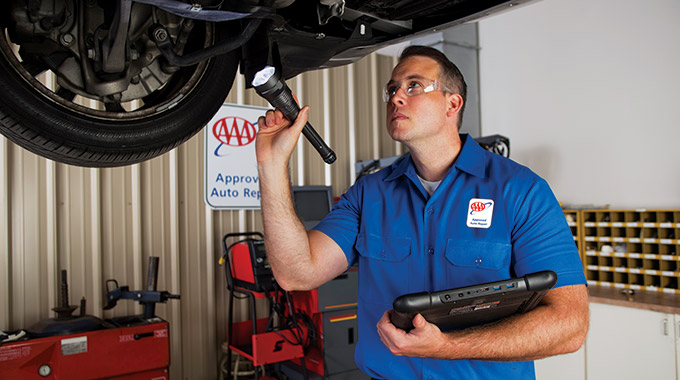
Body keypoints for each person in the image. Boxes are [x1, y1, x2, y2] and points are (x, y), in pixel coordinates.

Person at [255, 45, 589, 380]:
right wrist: (271, 166)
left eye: (413, 86)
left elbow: (569, 325)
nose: (396, 97)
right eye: (392, 89)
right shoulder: (368, 195)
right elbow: (295, 273)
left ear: (452, 103)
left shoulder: (520, 191)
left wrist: (447, 346)